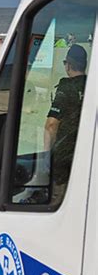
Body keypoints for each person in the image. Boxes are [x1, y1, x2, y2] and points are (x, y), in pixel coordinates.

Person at [44, 44, 87, 200]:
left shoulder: (66, 87)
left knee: (60, 198)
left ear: (69, 64)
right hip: (85, 155)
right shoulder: (90, 86)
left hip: (65, 157)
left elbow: (51, 125)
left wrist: (46, 155)